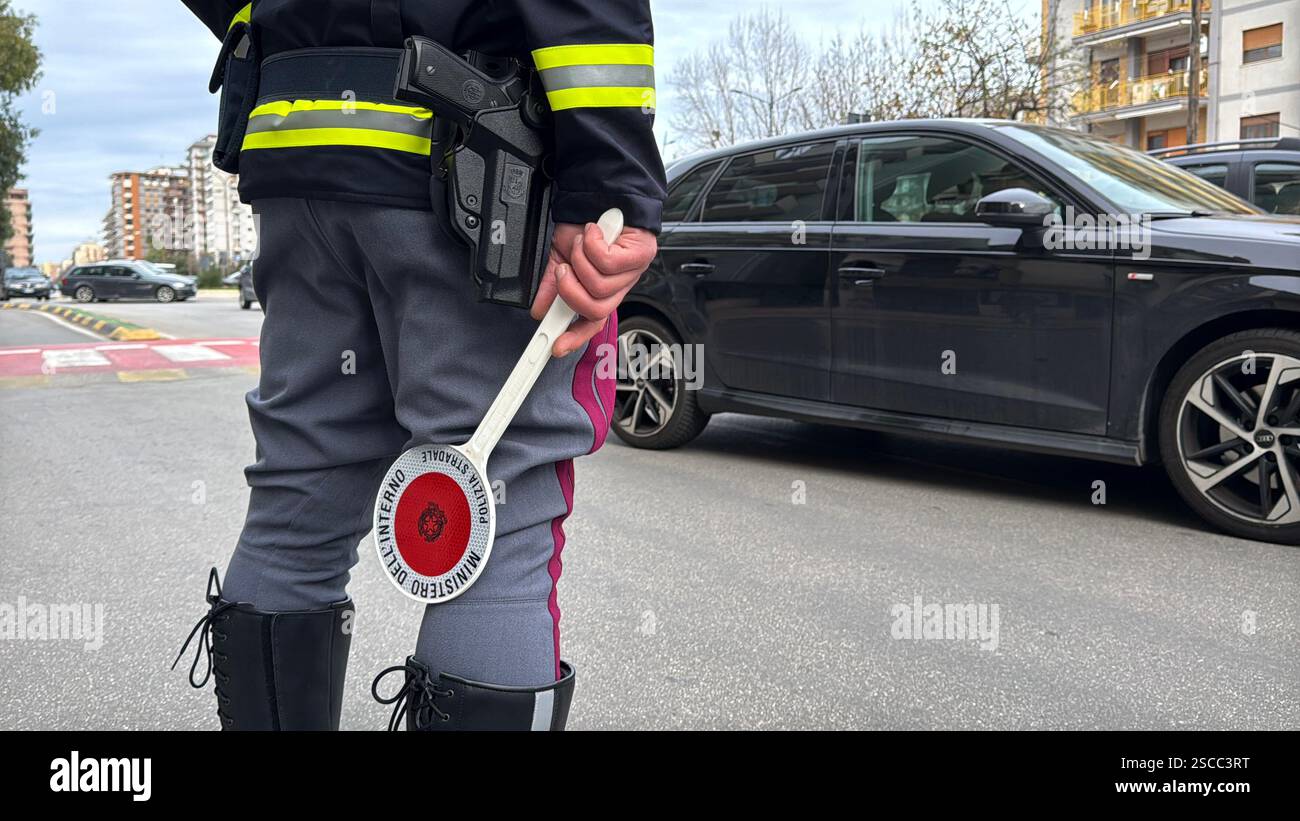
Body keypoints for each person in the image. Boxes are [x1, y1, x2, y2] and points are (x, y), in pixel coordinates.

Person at [173, 0, 665, 730]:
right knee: (495, 510)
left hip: (296, 146)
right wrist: (609, 184)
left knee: (298, 492)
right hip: (464, 151)